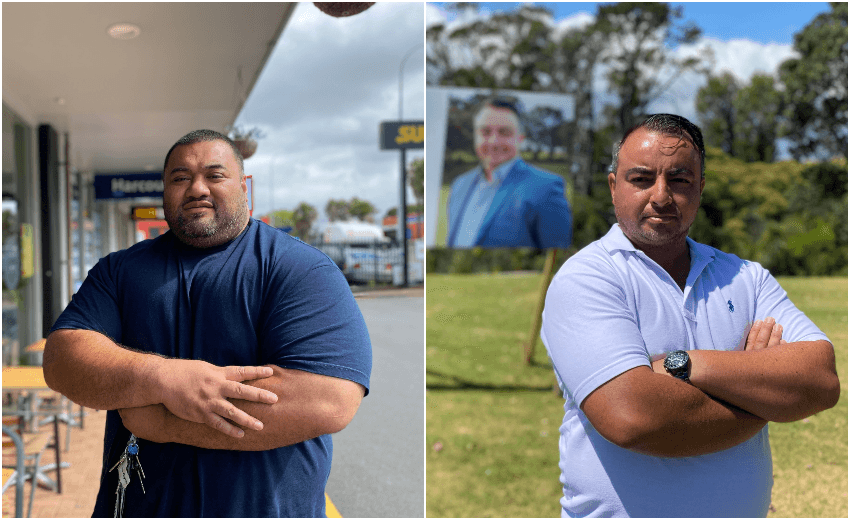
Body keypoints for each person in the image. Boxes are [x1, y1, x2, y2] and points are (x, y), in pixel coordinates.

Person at [43, 129, 372, 517]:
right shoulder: (119, 271)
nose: (197, 188)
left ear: (245, 187)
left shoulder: (299, 268)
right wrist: (161, 378)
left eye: (215, 175)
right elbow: (63, 359)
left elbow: (328, 399)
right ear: (164, 191)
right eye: (180, 178)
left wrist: (167, 423)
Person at [541, 114, 839, 517]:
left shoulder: (746, 278)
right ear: (614, 187)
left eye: (679, 180)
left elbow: (820, 381)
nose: (661, 196)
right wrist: (762, 394)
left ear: (700, 189)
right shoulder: (587, 277)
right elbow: (635, 418)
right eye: (641, 178)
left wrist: (685, 364)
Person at [446, 98, 572, 248]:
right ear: (475, 135)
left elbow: (559, 254)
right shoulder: (460, 184)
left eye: (504, 132)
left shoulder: (547, 187)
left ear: (520, 138)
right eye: (485, 132)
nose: (494, 142)